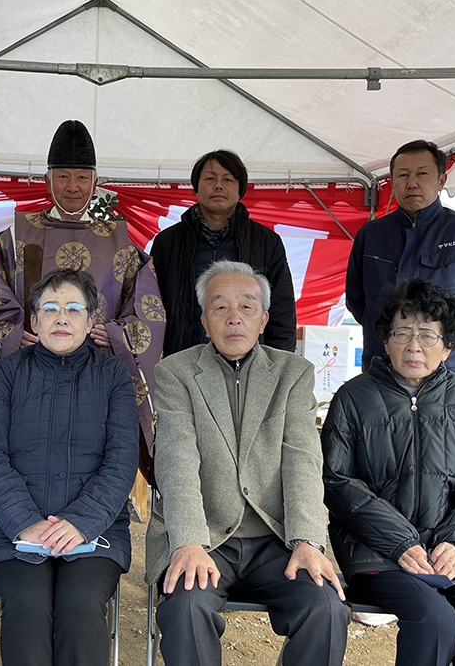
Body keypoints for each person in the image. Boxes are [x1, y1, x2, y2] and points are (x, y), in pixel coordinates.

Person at [146, 260, 349, 666]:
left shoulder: (293, 373)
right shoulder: (176, 372)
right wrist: (188, 541)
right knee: (185, 608)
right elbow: (176, 460)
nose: (233, 318)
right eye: (220, 308)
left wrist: (308, 540)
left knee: (326, 609)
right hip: (206, 536)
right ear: (204, 321)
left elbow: (303, 460)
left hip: (276, 539)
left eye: (247, 307)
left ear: (264, 320)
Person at [321, 277, 455, 666]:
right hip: (376, 550)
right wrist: (402, 543)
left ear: (447, 347)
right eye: (402, 332)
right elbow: (337, 482)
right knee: (436, 620)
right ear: (385, 339)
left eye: (427, 335)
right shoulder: (353, 398)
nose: (413, 346)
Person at [0, 120, 164, 461]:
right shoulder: (14, 238)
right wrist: (13, 333)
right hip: (31, 375)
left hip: (98, 379)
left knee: (96, 460)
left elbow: (149, 310)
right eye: (63, 176)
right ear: (47, 179)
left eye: (82, 177)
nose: (72, 186)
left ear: (96, 183)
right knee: (29, 458)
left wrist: (117, 334)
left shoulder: (121, 243)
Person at [0, 268, 138, 666]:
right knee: (27, 606)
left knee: (79, 604)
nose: (61, 317)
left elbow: (121, 461)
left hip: (95, 530)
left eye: (73, 308)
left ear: (91, 320)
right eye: (49, 308)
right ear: (33, 321)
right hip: (14, 530)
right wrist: (23, 521)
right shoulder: (8, 373)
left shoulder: (113, 375)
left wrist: (81, 521)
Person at [345, 139, 455, 379]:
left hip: (448, 372)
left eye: (422, 173)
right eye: (402, 175)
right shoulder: (370, 235)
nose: (412, 183)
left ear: (441, 180)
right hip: (383, 370)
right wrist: (390, 338)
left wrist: (447, 343)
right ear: (392, 182)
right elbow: (358, 301)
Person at [150, 149, 297, 357]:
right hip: (182, 359)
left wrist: (278, 366)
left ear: (240, 189)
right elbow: (152, 307)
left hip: (247, 362)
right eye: (210, 178)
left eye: (228, 179)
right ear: (196, 186)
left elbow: (282, 311)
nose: (218, 185)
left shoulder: (266, 241)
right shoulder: (168, 242)